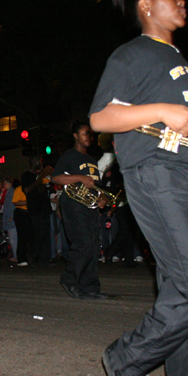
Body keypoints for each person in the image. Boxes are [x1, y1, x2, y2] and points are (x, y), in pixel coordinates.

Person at [88, 0, 188, 376]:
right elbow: (101, 118)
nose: (182, 1)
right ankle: (127, 357)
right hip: (158, 173)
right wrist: (164, 110)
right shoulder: (133, 53)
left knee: (180, 289)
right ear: (146, 6)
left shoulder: (181, 59)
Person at [50, 123, 106, 300]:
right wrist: (79, 177)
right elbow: (56, 177)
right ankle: (70, 279)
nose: (88, 137)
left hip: (90, 206)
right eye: (84, 134)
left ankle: (89, 286)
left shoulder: (92, 160)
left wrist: (102, 198)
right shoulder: (69, 156)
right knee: (83, 243)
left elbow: (95, 184)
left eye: (90, 134)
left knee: (93, 246)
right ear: (75, 136)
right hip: (73, 204)